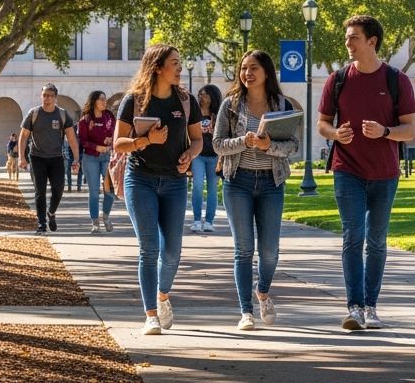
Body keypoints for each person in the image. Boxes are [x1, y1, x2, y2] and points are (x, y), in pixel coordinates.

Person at [317, 14, 415, 331]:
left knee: (376, 241)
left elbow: (410, 130)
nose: (348, 43)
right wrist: (335, 135)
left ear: (371, 41)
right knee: (353, 237)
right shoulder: (337, 80)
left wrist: (385, 131)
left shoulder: (396, 80)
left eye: (354, 37)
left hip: (386, 173)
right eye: (347, 37)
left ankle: (371, 306)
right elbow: (322, 124)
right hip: (347, 169)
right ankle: (355, 307)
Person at [114, 45, 202, 336]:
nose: (180, 68)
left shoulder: (186, 101)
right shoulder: (134, 101)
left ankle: (163, 295)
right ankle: (150, 314)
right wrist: (146, 140)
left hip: (175, 183)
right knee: (149, 249)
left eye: (180, 62)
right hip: (140, 180)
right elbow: (118, 144)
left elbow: (198, 139)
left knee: (173, 252)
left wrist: (190, 155)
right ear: (158, 67)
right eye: (175, 63)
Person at [213, 51, 300, 331]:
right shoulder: (230, 105)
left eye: (253, 68)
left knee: (270, 252)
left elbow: (292, 147)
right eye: (243, 68)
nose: (247, 73)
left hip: (271, 183)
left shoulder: (281, 105)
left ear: (266, 72)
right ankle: (246, 311)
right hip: (237, 181)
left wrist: (267, 147)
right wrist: (244, 141)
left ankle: (263, 291)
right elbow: (217, 144)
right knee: (243, 250)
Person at [18, 84, 80, 234]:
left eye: (50, 96)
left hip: (57, 158)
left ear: (55, 97)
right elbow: (23, 136)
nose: (47, 98)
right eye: (45, 95)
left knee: (58, 190)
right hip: (37, 157)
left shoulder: (63, 115)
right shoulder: (34, 114)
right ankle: (42, 224)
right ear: (41, 96)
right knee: (40, 192)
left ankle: (51, 213)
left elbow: (72, 138)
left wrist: (76, 159)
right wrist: (22, 157)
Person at [79, 90, 117, 233]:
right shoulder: (85, 120)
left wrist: (110, 139)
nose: (104, 102)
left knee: (109, 191)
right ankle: (95, 222)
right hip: (90, 159)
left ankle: (106, 217)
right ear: (94, 101)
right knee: (94, 192)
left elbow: (114, 131)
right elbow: (83, 141)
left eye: (105, 99)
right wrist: (97, 147)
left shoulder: (109, 116)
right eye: (101, 99)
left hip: (107, 157)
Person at [190, 84, 222, 234]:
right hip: (198, 155)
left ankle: (209, 221)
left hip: (214, 155)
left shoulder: (218, 114)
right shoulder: (195, 112)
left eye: (206, 95)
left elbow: (223, 135)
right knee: (197, 185)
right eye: (201, 94)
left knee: (212, 189)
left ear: (212, 97)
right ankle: (197, 220)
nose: (202, 97)